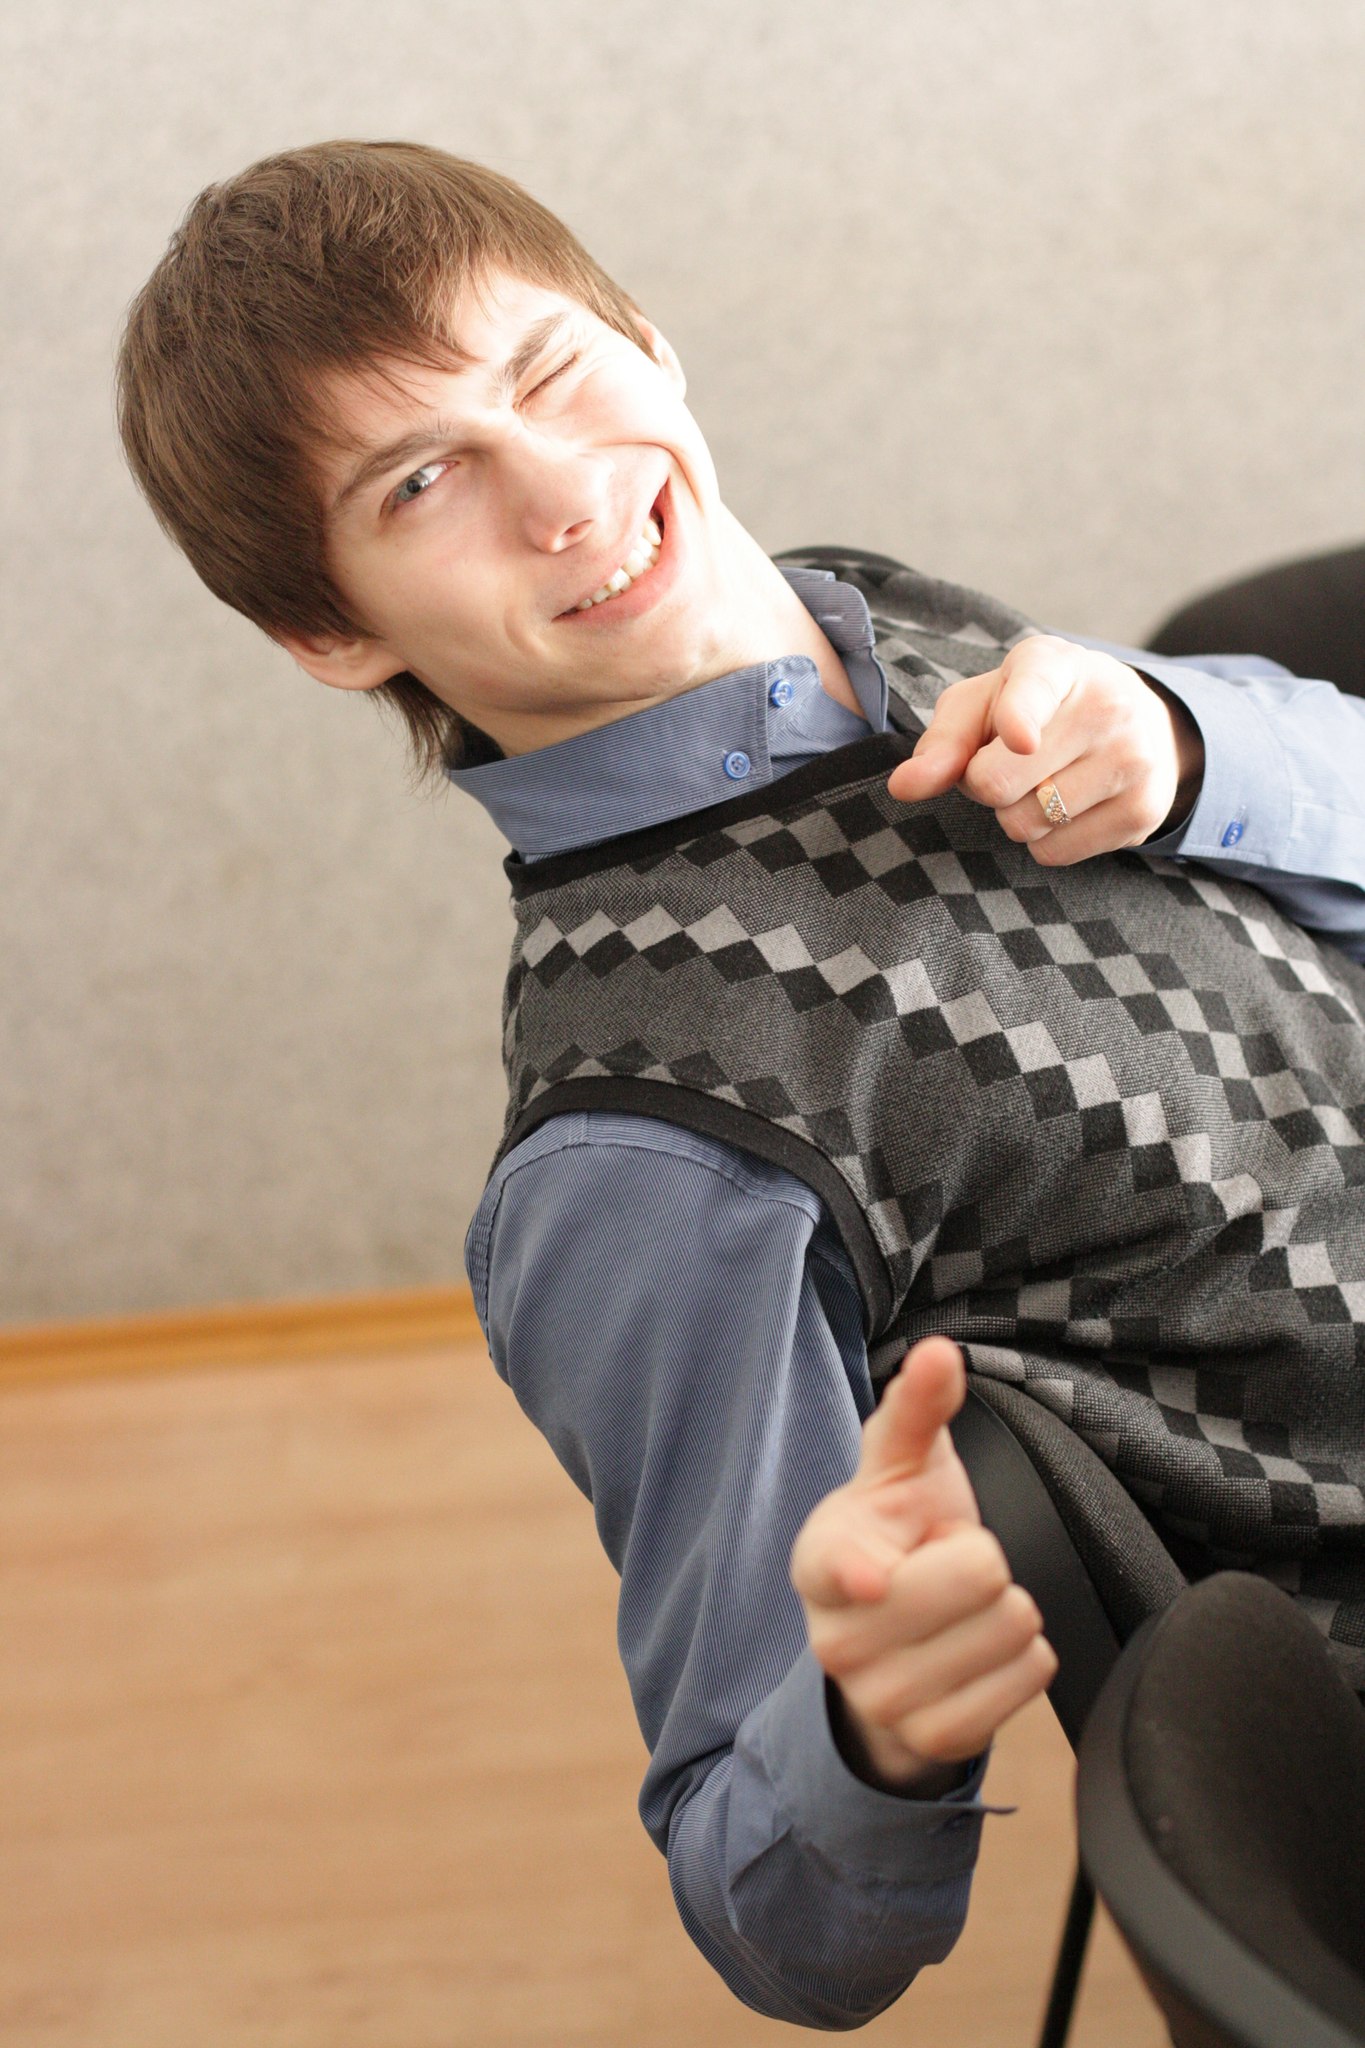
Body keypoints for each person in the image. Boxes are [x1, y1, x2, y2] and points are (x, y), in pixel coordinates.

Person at [117, 141, 1365, 2028]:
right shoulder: (648, 1151)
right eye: (423, 481)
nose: (563, 496)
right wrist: (868, 1720)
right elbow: (772, 1911)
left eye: (551, 372)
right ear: (332, 632)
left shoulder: (861, 614)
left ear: (648, 339)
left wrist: (1194, 750)